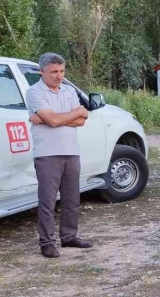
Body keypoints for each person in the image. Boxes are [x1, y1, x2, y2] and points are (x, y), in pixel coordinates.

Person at [26, 53, 92, 258]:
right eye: (54, 71)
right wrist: (74, 113)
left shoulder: (69, 90)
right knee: (47, 201)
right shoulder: (34, 92)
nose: (59, 76)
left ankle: (69, 237)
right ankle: (46, 243)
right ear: (42, 71)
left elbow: (81, 121)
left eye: (62, 71)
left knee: (72, 198)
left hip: (71, 151)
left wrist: (47, 118)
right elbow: (57, 120)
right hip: (47, 153)